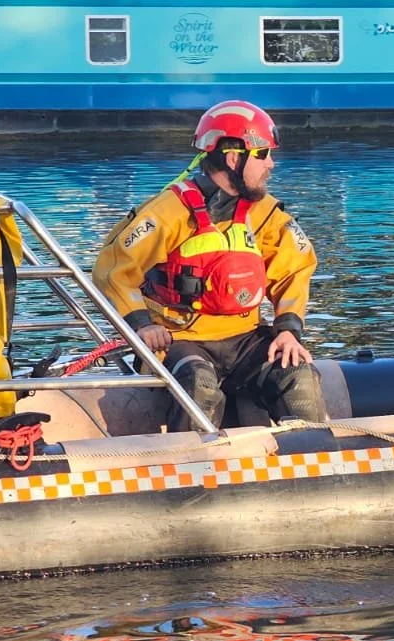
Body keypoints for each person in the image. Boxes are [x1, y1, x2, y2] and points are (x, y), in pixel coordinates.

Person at [93, 100, 327, 431]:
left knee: (298, 377)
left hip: (244, 340)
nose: (271, 164)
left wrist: (288, 330)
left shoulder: (267, 215)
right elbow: (113, 270)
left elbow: (295, 269)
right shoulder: (168, 213)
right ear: (234, 158)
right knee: (198, 385)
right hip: (181, 341)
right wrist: (143, 325)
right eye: (263, 155)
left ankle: (313, 465)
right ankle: (192, 475)